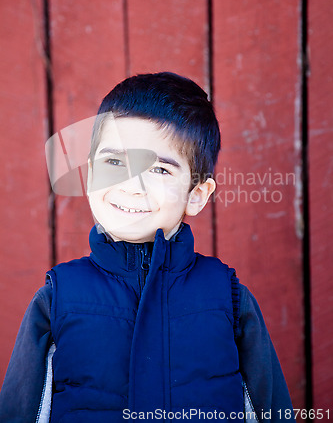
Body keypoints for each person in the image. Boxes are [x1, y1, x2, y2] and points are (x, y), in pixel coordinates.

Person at [0, 73, 294, 422]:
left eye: (158, 169)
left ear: (196, 195)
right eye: (114, 162)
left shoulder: (227, 298)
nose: (131, 186)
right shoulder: (58, 298)